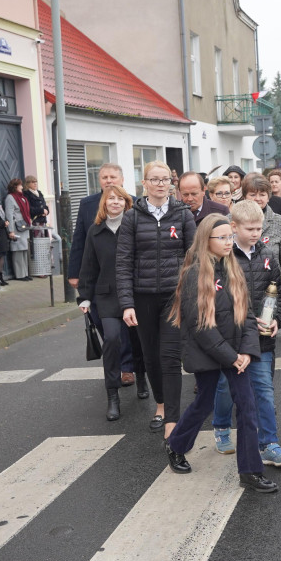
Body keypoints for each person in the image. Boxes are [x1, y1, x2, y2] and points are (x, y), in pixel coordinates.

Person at [164, 216, 278, 493]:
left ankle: (250, 471)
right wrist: (232, 357)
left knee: (247, 407)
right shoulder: (194, 274)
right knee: (204, 402)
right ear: (206, 241)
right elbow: (200, 326)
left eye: (230, 237)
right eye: (222, 238)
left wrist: (247, 352)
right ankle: (176, 445)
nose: (229, 242)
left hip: (236, 354)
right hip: (211, 352)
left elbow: (247, 316)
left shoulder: (234, 268)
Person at [210, 200, 281, 466]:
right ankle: (222, 426)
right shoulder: (222, 258)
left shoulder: (267, 254)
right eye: (249, 229)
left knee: (265, 390)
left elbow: (279, 292)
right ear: (233, 227)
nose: (256, 233)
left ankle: (269, 444)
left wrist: (278, 319)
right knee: (225, 386)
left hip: (261, 337)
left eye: (259, 228)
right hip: (231, 338)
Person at [117, 161, 195, 437]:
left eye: (165, 180)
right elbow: (124, 261)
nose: (161, 184)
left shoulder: (183, 215)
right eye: (155, 179)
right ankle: (160, 404)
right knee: (150, 356)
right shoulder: (132, 217)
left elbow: (193, 259)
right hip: (143, 297)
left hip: (174, 297)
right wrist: (127, 303)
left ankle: (173, 416)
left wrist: (191, 294)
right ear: (144, 184)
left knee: (171, 356)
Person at [68, 163, 147, 396]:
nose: (108, 180)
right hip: (102, 284)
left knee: (134, 334)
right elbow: (80, 241)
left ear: (122, 179)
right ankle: (121, 369)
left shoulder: (136, 205)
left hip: (133, 287)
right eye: (104, 177)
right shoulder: (87, 205)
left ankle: (131, 370)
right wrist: (76, 276)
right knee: (110, 333)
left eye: (113, 176)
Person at [77, 186, 136, 421]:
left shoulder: (134, 227)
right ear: (104, 203)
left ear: (127, 203)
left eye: (120, 198)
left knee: (139, 340)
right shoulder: (95, 231)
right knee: (112, 338)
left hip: (135, 293)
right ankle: (113, 394)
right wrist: (84, 296)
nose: (115, 202)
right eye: (111, 198)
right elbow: (88, 266)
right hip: (107, 296)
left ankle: (140, 377)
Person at [241, 173, 281, 288]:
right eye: (252, 194)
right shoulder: (232, 220)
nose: (257, 199)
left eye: (262, 195)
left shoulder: (278, 221)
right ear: (244, 197)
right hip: (240, 288)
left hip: (271, 289)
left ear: (268, 197)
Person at [4, 178, 31, 281]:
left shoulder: (22, 197)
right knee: (18, 251)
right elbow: (9, 215)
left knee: (24, 250)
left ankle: (25, 273)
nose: (22, 187)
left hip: (24, 226)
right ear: (15, 186)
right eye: (20, 185)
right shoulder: (10, 198)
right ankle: (20, 275)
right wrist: (11, 230)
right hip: (16, 227)